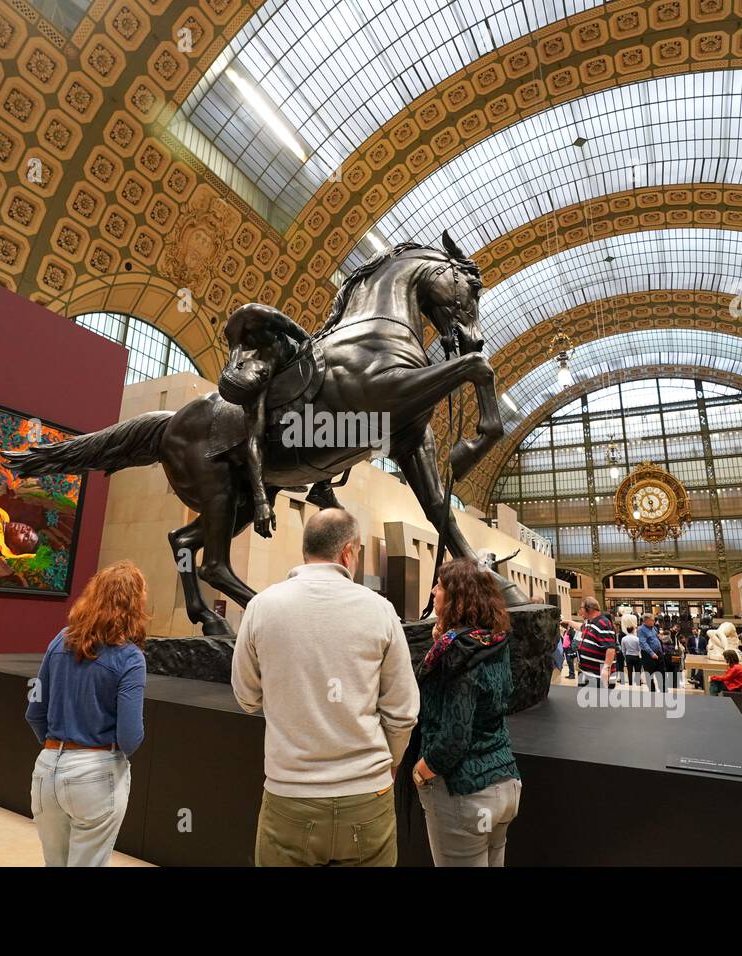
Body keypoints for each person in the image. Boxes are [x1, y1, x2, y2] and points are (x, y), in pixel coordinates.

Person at [231, 508, 418, 866]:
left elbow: (246, 697)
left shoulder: (261, 607)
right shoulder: (380, 610)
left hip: (289, 797)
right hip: (367, 795)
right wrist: (390, 765)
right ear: (348, 552)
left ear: (306, 549)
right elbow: (403, 711)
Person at [25, 561, 147, 867]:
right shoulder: (130, 657)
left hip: (46, 771)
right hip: (96, 773)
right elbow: (130, 737)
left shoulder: (60, 640)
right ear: (136, 604)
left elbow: (34, 711)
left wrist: (58, 748)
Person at [412, 558, 521, 866]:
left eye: (441, 586)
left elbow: (455, 736)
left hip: (465, 792)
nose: (434, 591)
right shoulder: (494, 641)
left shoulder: (456, 652)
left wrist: (421, 771)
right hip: (506, 783)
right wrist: (444, 642)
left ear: (458, 597)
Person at [214, 303, 314, 537]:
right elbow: (254, 441)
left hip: (297, 355)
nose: (263, 380)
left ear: (244, 365)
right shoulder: (253, 388)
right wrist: (260, 500)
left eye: (261, 376)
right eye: (261, 382)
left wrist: (311, 344)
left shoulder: (252, 316)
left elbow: (296, 330)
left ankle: (323, 485)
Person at [575, 596, 616, 686]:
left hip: (598, 677)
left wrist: (606, 668)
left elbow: (610, 648)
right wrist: (569, 622)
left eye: (581, 608)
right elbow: (580, 627)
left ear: (588, 609)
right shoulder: (589, 622)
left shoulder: (602, 623)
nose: (580, 611)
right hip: (586, 674)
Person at [638, 612, 663, 691]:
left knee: (662, 671)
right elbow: (643, 643)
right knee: (650, 674)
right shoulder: (641, 629)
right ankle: (652, 691)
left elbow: (656, 638)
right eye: (652, 620)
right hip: (648, 655)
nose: (654, 622)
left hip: (658, 652)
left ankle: (663, 689)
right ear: (646, 621)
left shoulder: (654, 628)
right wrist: (651, 653)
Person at [620, 615, 642, 686]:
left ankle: (630, 683)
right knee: (637, 670)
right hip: (636, 656)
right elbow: (639, 648)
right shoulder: (637, 639)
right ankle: (638, 682)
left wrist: (625, 656)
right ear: (633, 630)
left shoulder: (624, 639)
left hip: (628, 656)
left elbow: (623, 649)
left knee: (629, 671)